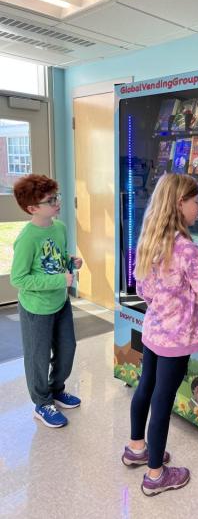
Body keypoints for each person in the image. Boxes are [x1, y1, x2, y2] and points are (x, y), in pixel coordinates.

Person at [120, 173, 198, 496]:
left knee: (145, 387)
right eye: (195, 200)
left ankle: (136, 448)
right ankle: (156, 475)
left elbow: (143, 289)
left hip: (153, 333)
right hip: (177, 341)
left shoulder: (150, 240)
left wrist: (165, 306)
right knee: (163, 400)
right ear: (179, 204)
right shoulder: (186, 249)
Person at [10, 174, 83, 429]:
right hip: (35, 309)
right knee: (37, 357)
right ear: (32, 208)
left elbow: (56, 259)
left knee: (67, 348)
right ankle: (42, 403)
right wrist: (58, 281)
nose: (57, 202)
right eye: (50, 200)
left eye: (57, 196)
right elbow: (19, 279)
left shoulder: (59, 228)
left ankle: (56, 389)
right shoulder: (27, 238)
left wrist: (71, 262)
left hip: (60, 303)